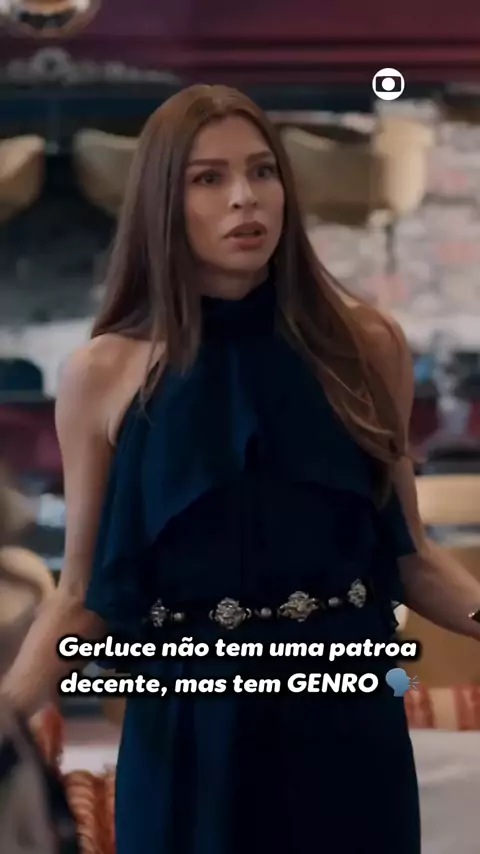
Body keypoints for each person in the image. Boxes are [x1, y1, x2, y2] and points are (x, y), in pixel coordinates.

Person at [2, 84, 480, 854]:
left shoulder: (366, 348)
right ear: (164, 203)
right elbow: (81, 597)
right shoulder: (104, 373)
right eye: (209, 178)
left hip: (346, 729)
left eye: (263, 171)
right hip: (190, 737)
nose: (244, 198)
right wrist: (5, 713)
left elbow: (414, 559)